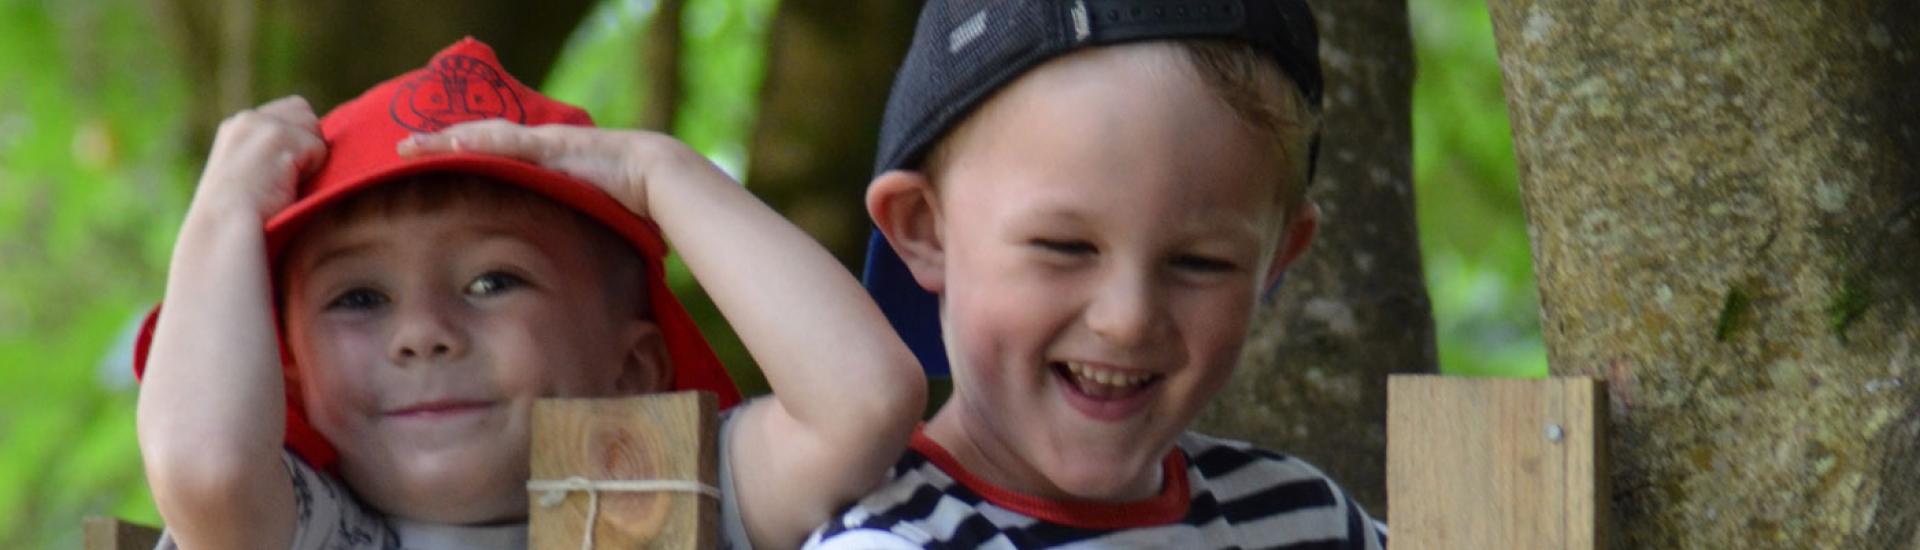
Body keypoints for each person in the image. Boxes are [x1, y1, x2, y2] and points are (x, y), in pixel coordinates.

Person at [135, 38, 924, 550]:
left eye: (492, 281)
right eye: (360, 298)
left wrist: (660, 173)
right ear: (292, 378)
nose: (423, 332)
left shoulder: (653, 491)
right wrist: (222, 215)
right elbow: (206, 469)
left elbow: (863, 403)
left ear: (633, 369)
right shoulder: (320, 529)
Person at [809, 1, 1387, 547]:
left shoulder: (1315, 524)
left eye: (1200, 262)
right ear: (926, 229)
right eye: (1064, 247)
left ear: (1278, 257)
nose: (1128, 320)